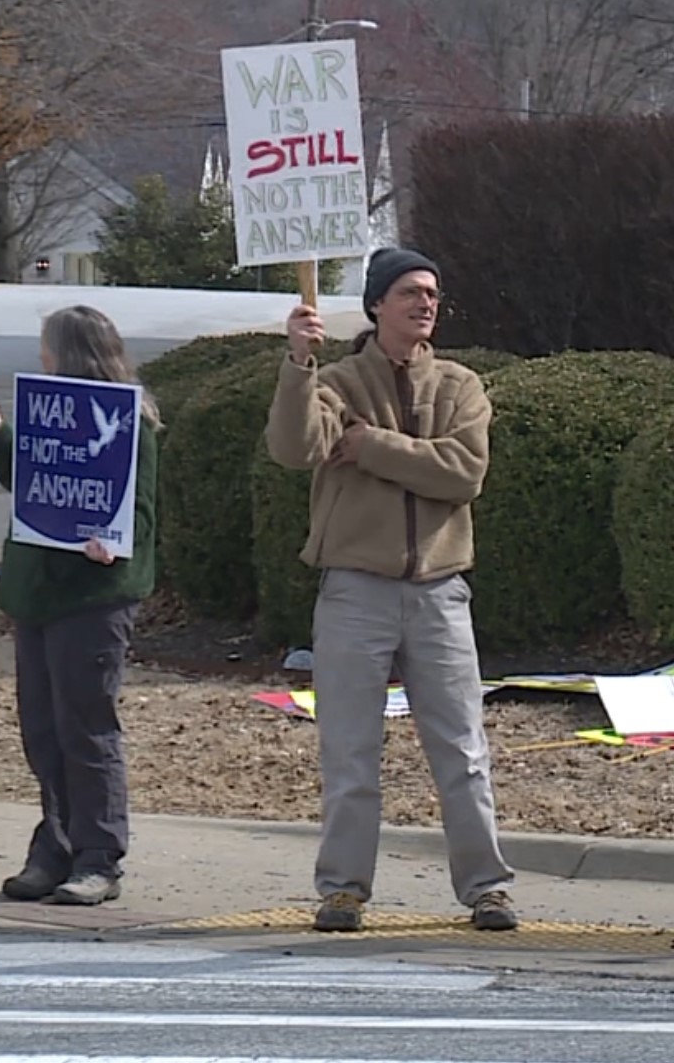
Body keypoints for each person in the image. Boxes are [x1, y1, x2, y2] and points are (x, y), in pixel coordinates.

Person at [265, 247, 517, 933]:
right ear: (377, 304)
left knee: (463, 751)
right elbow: (295, 448)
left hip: (440, 590)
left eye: (432, 292)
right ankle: (343, 889)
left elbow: (463, 473)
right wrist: (297, 365)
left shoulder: (461, 386)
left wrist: (370, 445)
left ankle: (487, 888)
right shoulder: (338, 381)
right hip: (354, 591)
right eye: (410, 292)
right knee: (349, 750)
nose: (425, 303)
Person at [0, 306, 157, 905]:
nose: (40, 355)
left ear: (69, 352)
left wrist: (112, 546)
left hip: (92, 599)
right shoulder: (46, 418)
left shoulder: (129, 424)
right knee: (43, 731)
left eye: (46, 346)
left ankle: (99, 857)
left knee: (86, 729)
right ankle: (56, 845)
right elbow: (37, 484)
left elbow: (138, 514)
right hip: (36, 594)